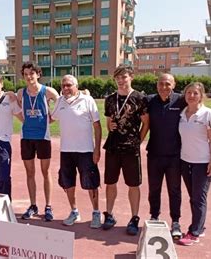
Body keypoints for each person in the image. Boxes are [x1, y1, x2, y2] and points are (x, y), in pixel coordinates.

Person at [51, 75, 102, 228]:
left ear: (76, 86)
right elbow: (51, 118)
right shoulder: (60, 101)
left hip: (85, 150)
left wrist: (97, 149)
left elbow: (97, 126)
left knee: (91, 183)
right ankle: (74, 212)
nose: (65, 88)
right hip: (66, 151)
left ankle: (96, 213)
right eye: (63, 85)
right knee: (68, 183)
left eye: (68, 85)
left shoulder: (88, 100)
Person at [103, 65, 149, 235]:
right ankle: (109, 214)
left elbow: (146, 122)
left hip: (131, 147)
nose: (121, 81)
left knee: (133, 184)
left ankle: (134, 217)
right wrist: (111, 125)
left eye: (124, 77)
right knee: (110, 182)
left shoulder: (139, 98)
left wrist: (138, 141)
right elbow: (108, 123)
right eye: (118, 78)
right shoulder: (110, 99)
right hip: (113, 146)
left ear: (131, 77)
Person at [16, 61, 59, 221]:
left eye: (31, 74)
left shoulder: (47, 91)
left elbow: (60, 103)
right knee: (30, 173)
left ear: (38, 74)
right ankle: (33, 205)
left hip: (43, 137)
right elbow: (15, 106)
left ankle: (48, 206)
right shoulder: (21, 93)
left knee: (45, 172)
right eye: (26, 74)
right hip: (26, 136)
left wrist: (51, 118)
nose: (28, 77)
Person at [178, 82, 211, 246]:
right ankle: (200, 226)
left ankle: (194, 232)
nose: (191, 96)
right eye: (189, 93)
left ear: (201, 95)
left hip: (202, 163)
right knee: (193, 197)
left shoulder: (208, 114)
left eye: (195, 93)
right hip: (185, 161)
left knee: (199, 198)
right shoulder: (182, 114)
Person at [146, 73, 185, 238]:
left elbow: (199, 108)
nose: (164, 87)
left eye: (168, 84)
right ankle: (154, 216)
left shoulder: (181, 100)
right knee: (154, 189)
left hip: (174, 156)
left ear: (174, 84)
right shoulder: (149, 101)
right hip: (154, 154)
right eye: (161, 84)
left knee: (174, 190)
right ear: (156, 85)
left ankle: (175, 221)